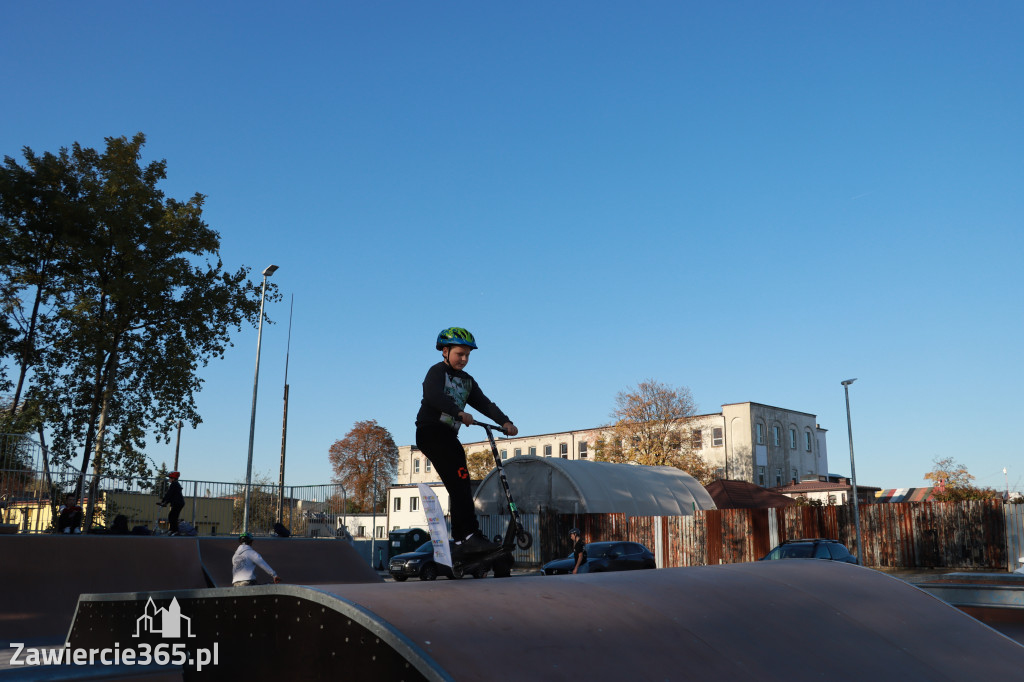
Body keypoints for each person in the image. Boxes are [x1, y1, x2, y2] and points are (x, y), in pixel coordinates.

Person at [416, 326, 518, 559]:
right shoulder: (436, 372)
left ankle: (465, 538)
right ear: (445, 351)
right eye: (459, 354)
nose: (464, 359)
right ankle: (467, 536)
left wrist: (505, 421)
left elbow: (484, 403)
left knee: (461, 482)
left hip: (448, 436)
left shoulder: (467, 381)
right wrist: (458, 412)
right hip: (430, 431)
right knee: (459, 481)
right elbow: (433, 396)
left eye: (467, 355)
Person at [158, 471, 186, 535]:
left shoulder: (174, 485)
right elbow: (170, 495)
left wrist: (164, 502)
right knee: (172, 516)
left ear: (173, 479)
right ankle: (172, 530)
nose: (169, 479)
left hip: (178, 503)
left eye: (170, 478)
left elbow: (169, 494)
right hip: (177, 503)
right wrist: (164, 502)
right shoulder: (175, 484)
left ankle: (175, 530)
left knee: (173, 516)